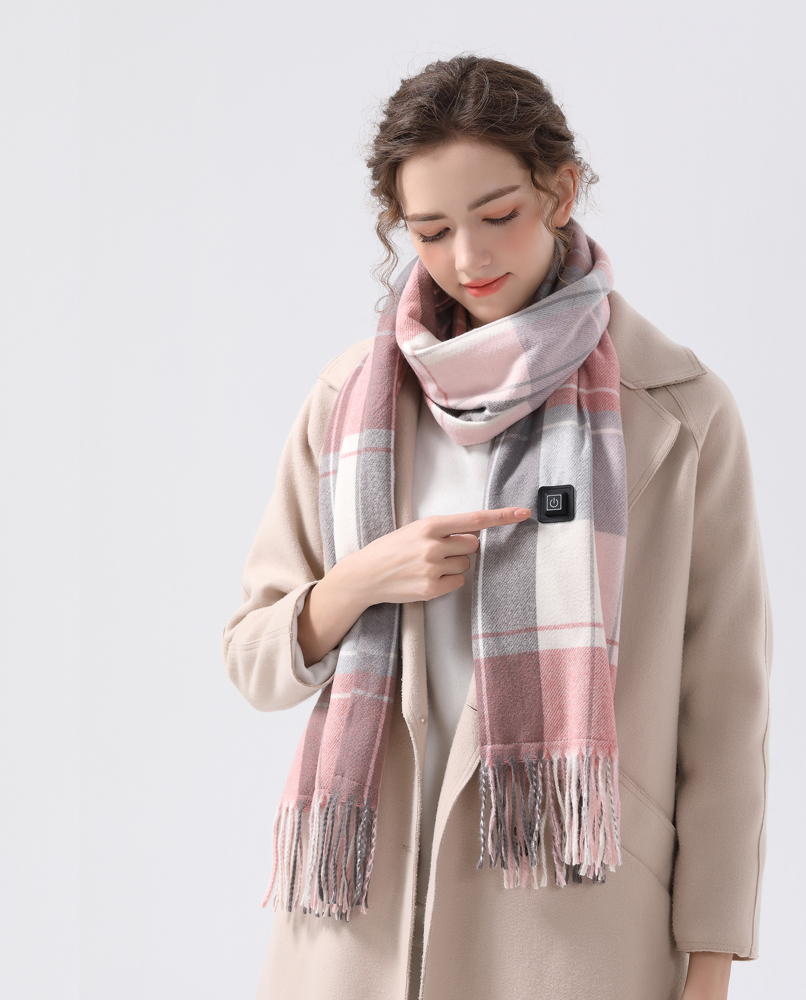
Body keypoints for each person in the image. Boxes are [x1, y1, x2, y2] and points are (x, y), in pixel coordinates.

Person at [222, 54, 772, 1000]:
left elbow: (725, 710)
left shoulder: (678, 412)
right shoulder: (349, 403)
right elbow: (253, 658)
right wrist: (359, 581)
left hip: (571, 918)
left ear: (560, 191)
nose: (470, 258)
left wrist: (711, 960)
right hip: (358, 922)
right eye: (432, 231)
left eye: (498, 215)